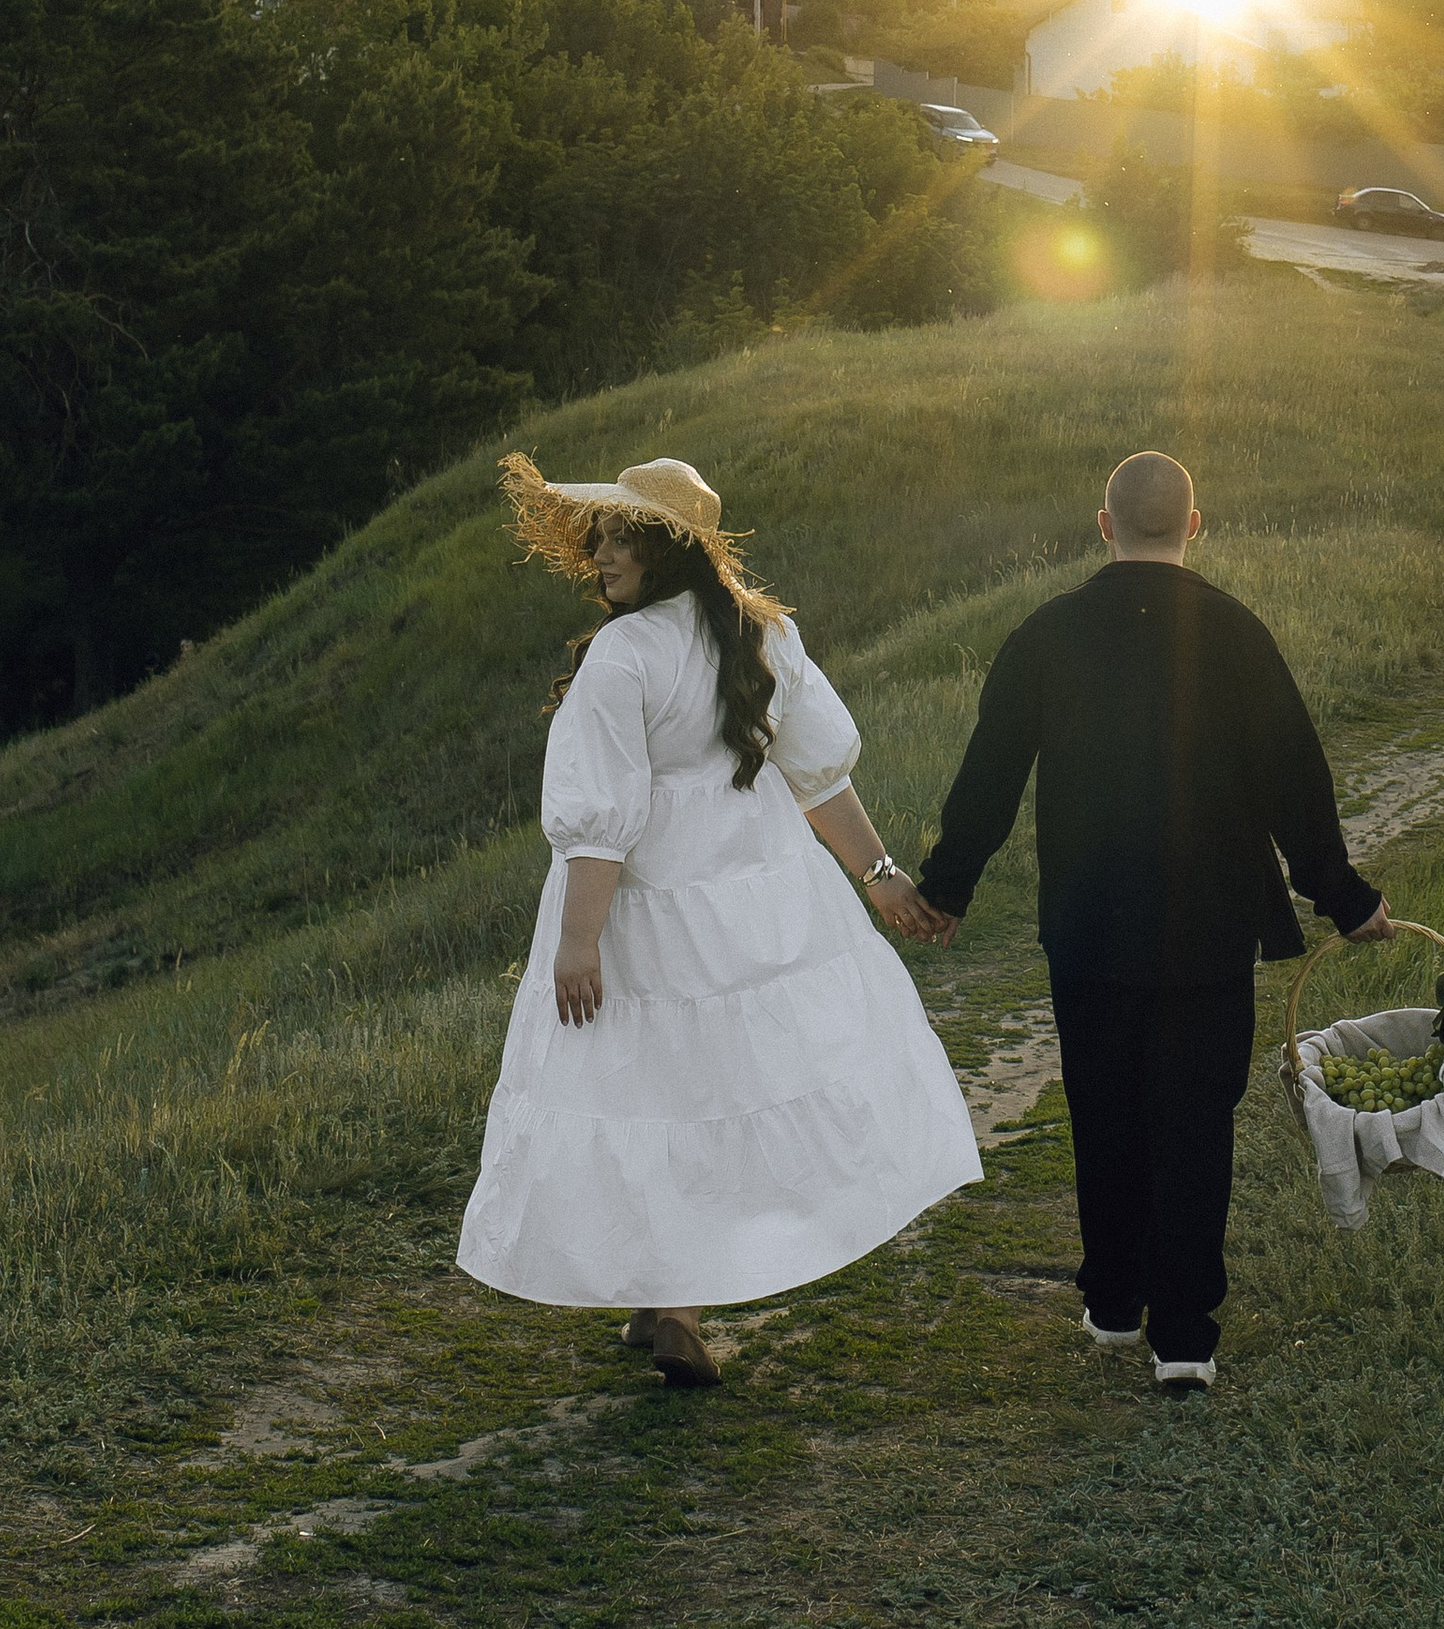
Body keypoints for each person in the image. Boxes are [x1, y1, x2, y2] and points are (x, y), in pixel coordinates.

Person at [457, 452, 982, 1386]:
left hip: (646, 902)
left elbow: (604, 815)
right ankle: (666, 1294)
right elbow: (818, 775)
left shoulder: (623, 654)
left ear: (668, 551)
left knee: (648, 1084)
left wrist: (578, 939)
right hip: (754, 893)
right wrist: (879, 877)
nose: (604, 554)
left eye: (623, 538)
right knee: (711, 1085)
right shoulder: (760, 636)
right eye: (603, 537)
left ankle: (677, 1303)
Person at [913, 449, 1389, 1397]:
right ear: (1195, 525)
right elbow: (1296, 783)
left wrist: (945, 889)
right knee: (1193, 1121)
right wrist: (1345, 896)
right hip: (1208, 925)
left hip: (1088, 923)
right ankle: (1184, 1339)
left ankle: (1114, 1302)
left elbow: (989, 775)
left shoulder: (1046, 635)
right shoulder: (1236, 634)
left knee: (1105, 1107)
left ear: (1103, 525)